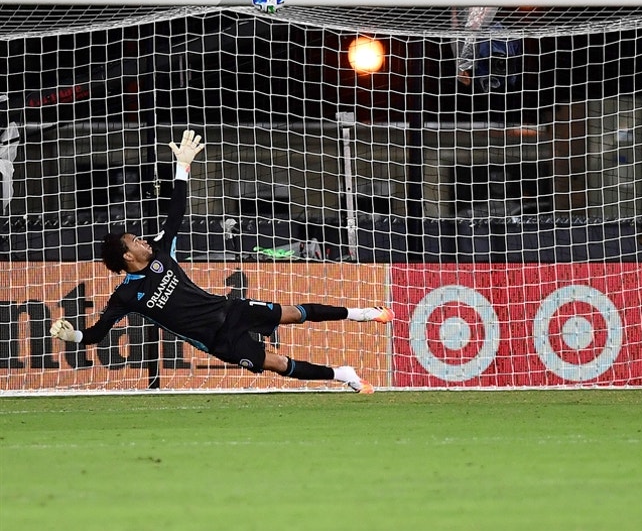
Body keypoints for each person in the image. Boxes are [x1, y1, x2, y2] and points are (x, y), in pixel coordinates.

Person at [49, 130, 391, 393]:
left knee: (293, 313)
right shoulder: (125, 296)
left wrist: (183, 167)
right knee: (277, 363)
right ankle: (341, 375)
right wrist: (75, 336)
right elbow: (97, 333)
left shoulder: (160, 253)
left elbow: (176, 212)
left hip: (231, 310)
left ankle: (361, 313)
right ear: (127, 256)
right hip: (219, 341)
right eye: (135, 240)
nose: (142, 240)